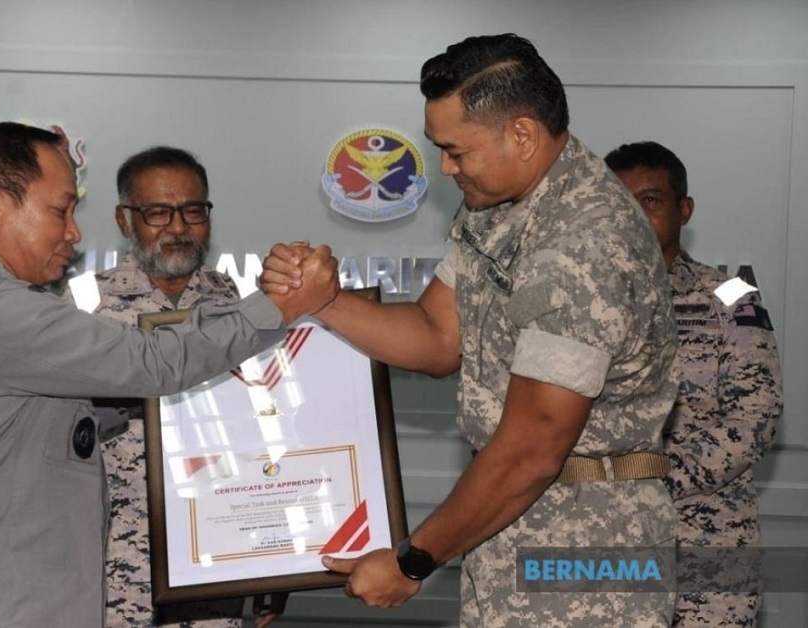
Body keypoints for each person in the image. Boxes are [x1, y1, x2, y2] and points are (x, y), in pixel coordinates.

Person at [261, 34, 679, 626]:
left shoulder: (583, 245)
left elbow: (532, 449)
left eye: (456, 151)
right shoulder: (499, 206)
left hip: (589, 553)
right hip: (513, 525)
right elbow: (436, 336)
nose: (445, 168)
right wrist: (324, 301)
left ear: (524, 135)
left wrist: (412, 562)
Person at [0, 122, 334, 628]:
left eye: (193, 210)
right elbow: (152, 363)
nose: (73, 232)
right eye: (60, 210)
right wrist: (281, 306)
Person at [70, 146, 285, 627]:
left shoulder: (241, 305)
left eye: (193, 210)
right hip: (107, 566)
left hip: (219, 557)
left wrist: (280, 565)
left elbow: (269, 435)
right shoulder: (81, 307)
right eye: (157, 213)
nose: (178, 227)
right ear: (124, 220)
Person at [605, 141, 783, 626]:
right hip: (601, 541)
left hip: (706, 549)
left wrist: (647, 481)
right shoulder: (581, 300)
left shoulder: (731, 295)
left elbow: (755, 416)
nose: (635, 216)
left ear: (684, 209)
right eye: (621, 202)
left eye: (651, 200)